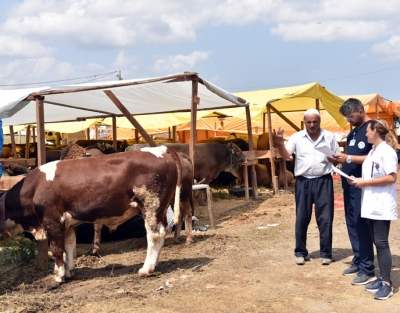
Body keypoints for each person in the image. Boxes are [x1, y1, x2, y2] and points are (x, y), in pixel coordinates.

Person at [273, 108, 340, 265]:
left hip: (324, 180)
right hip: (303, 181)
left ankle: (326, 253)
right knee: (302, 217)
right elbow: (285, 155)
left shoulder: (329, 137)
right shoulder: (297, 137)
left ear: (319, 122)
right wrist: (279, 143)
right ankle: (300, 252)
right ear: (304, 122)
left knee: (325, 218)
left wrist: (333, 159)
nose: (312, 125)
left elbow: (338, 159)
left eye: (315, 121)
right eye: (309, 122)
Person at [347, 119, 398, 300]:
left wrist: (365, 182)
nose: (366, 134)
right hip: (370, 203)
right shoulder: (373, 151)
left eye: (368, 131)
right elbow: (371, 175)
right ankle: (381, 277)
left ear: (375, 131)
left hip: (382, 205)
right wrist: (357, 179)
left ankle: (387, 284)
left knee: (382, 243)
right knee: (376, 242)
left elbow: (392, 177)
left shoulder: (387, 151)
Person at [333, 98, 375, 286]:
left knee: (361, 224)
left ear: (360, 110)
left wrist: (348, 157)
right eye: (346, 117)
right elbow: (352, 158)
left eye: (350, 116)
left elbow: (374, 157)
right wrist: (338, 160)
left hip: (361, 185)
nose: (349, 120)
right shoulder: (352, 133)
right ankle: (358, 260)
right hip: (348, 184)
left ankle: (368, 268)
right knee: (351, 223)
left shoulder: (372, 128)